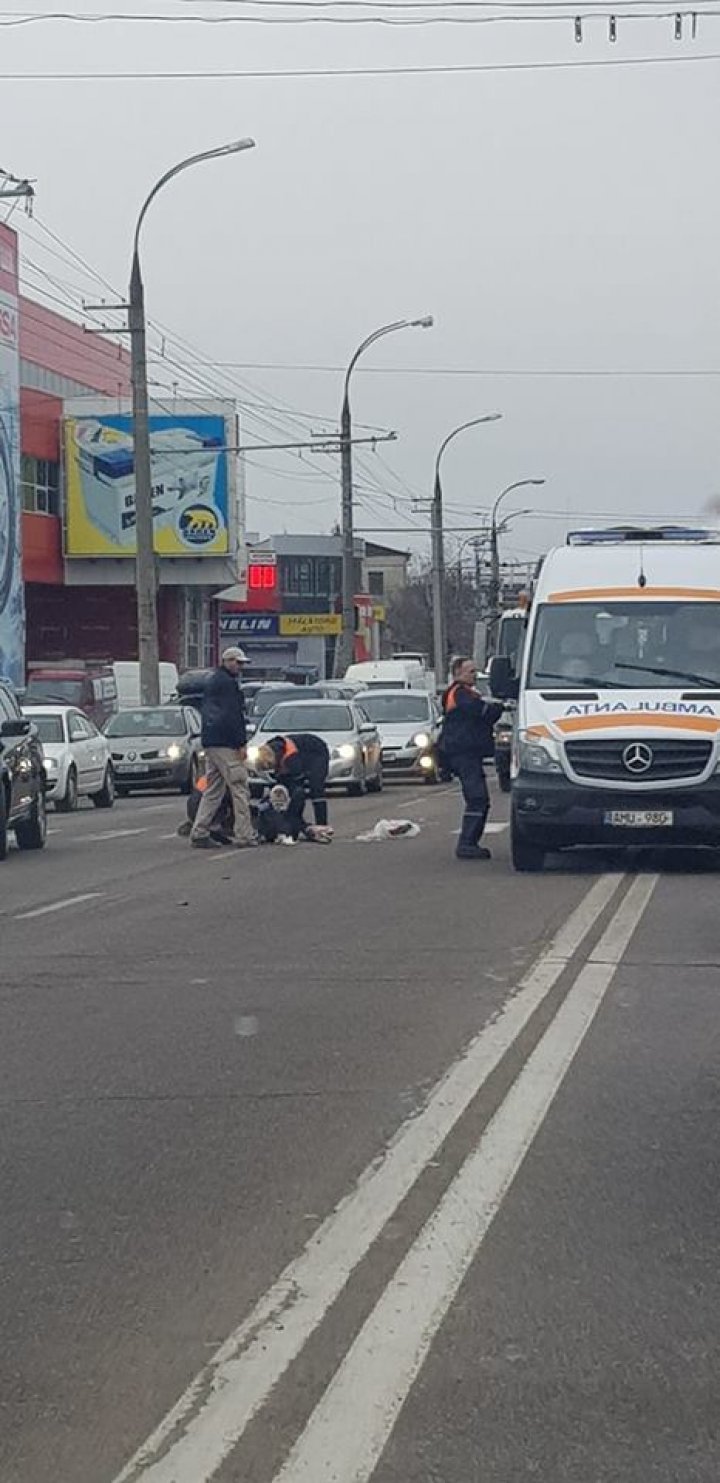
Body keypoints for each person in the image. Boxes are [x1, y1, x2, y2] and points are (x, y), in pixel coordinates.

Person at [189, 646, 257, 850]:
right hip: (226, 744)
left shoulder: (213, 681)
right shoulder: (228, 684)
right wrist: (240, 743)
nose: (241, 667)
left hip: (211, 742)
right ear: (227, 661)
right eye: (238, 663)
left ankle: (199, 831)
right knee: (239, 787)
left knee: (213, 790)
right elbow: (232, 716)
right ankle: (244, 834)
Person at [441, 656, 503, 860]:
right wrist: (498, 708)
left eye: (475, 671)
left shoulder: (466, 693)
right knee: (477, 798)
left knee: (479, 799)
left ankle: (470, 842)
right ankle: (467, 843)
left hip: (468, 753)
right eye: (470, 672)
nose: (474, 675)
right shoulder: (458, 693)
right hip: (462, 753)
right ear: (458, 673)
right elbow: (480, 711)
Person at [255, 733, 332, 842]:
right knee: (286, 791)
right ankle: (294, 825)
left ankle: (322, 825)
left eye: (271, 767)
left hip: (317, 751)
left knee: (315, 788)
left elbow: (297, 779)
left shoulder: (290, 758)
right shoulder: (269, 749)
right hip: (300, 753)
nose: (271, 771)